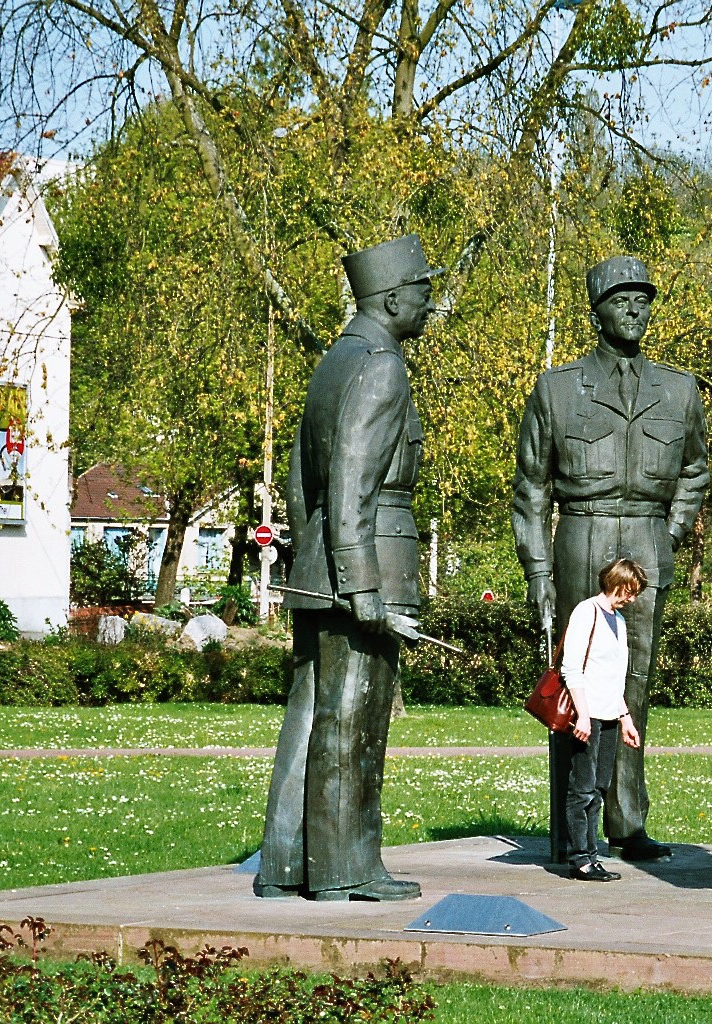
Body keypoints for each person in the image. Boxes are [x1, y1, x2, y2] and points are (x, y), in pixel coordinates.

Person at [254, 234, 440, 902]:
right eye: (422, 290)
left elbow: (308, 485)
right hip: (366, 559)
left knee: (310, 713)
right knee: (353, 719)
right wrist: (359, 582)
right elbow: (356, 480)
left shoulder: (337, 358)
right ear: (392, 299)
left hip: (319, 558)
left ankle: (284, 864)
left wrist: (315, 560)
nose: (430, 302)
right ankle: (346, 868)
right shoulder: (382, 365)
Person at [513, 256, 709, 864]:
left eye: (644, 299)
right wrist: (540, 572)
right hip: (582, 536)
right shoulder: (558, 388)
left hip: (647, 540)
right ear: (596, 310)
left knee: (633, 685)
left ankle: (627, 820)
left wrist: (669, 534)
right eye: (623, 299)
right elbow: (531, 489)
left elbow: (695, 470)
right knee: (575, 685)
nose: (635, 309)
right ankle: (573, 833)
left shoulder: (678, 389)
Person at [560, 558, 648, 881]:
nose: (633, 599)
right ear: (617, 583)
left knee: (598, 789)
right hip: (588, 716)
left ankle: (592, 855)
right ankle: (579, 859)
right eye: (631, 591)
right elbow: (572, 668)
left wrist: (626, 719)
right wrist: (582, 715)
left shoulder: (619, 622)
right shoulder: (587, 612)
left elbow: (614, 679)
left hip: (609, 715)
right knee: (581, 789)